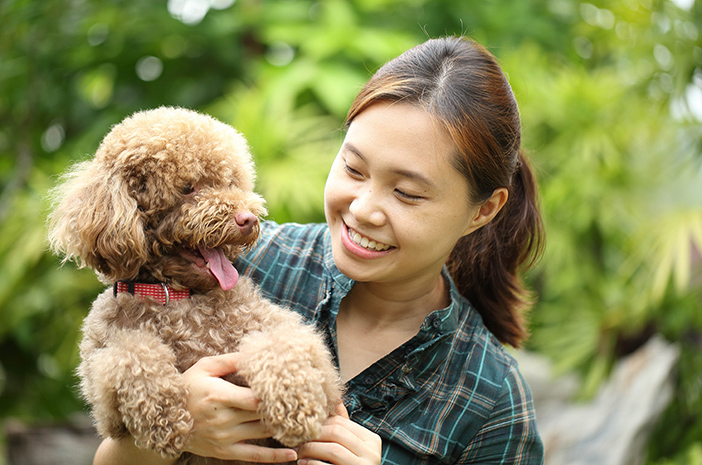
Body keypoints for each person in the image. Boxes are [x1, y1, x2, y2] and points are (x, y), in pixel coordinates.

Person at [93, 35, 545, 465]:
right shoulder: (239, 260)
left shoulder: (492, 404)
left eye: (406, 192)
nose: (364, 209)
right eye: (353, 167)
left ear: (482, 211)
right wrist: (174, 432)